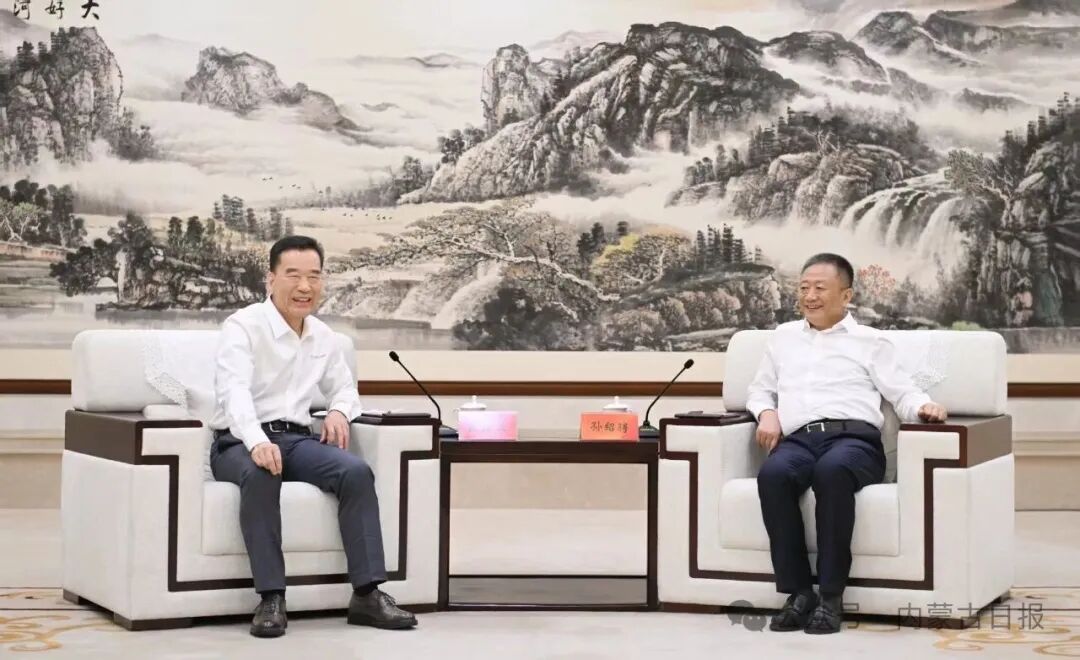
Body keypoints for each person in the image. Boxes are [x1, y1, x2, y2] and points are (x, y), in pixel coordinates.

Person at [209, 235, 417, 638]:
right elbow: (233, 393)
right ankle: (271, 597)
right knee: (262, 473)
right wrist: (257, 442)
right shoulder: (243, 327)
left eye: (314, 277)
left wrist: (339, 410)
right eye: (293, 275)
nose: (305, 286)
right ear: (270, 279)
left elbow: (345, 389)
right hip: (238, 442)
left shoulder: (324, 336)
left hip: (296, 440)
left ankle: (367, 595)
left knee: (355, 472)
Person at [746, 253, 947, 634]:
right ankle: (799, 594)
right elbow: (760, 390)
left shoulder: (871, 342)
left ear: (846, 295)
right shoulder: (783, 338)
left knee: (832, 471)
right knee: (773, 474)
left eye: (820, 288)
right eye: (804, 288)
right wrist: (766, 413)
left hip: (853, 441)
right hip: (799, 440)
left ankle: (831, 597)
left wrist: (924, 407)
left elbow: (902, 391)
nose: (809, 296)